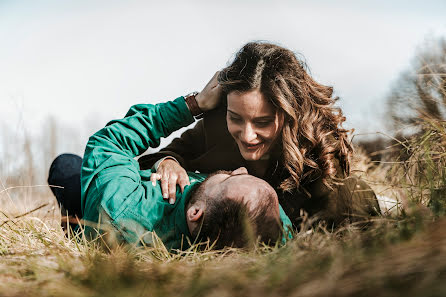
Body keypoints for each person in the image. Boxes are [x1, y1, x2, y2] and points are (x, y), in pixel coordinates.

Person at [139, 41, 381, 228]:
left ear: (290, 115)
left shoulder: (322, 160)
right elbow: (156, 158)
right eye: (235, 118)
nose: (247, 135)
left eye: (262, 122)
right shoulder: (216, 126)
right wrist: (168, 162)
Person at [49, 97, 293, 250]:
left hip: (112, 200)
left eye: (232, 178)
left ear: (195, 213)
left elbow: (108, 143)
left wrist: (193, 104)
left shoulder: (120, 209)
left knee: (66, 166)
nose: (240, 169)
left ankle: (76, 228)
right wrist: (167, 159)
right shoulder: (268, 231)